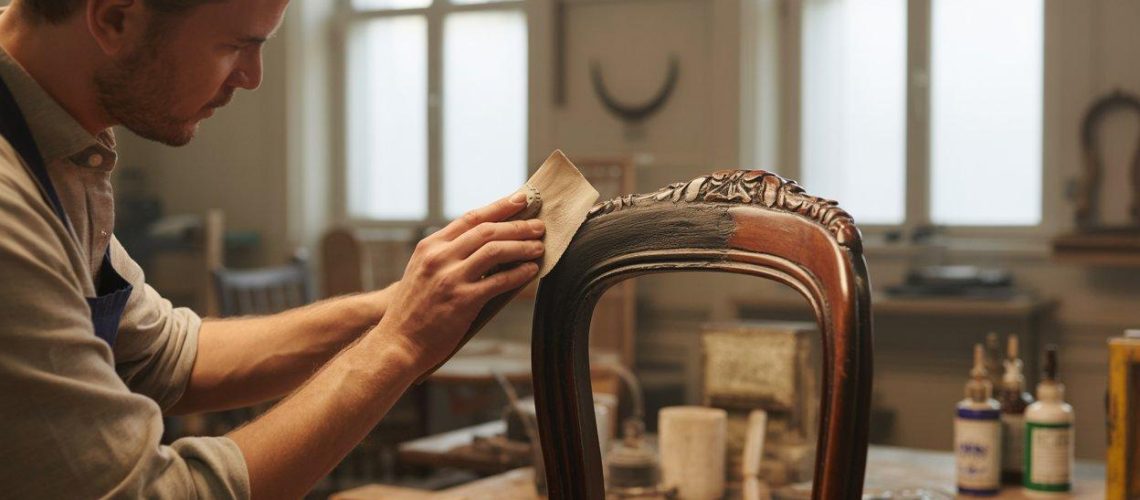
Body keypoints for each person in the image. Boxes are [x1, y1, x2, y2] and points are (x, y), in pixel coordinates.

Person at [0, 0, 545, 497]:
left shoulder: (57, 145)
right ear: (116, 18)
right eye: (235, 46)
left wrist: (400, 304)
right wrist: (400, 344)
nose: (252, 77)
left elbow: (163, 355)